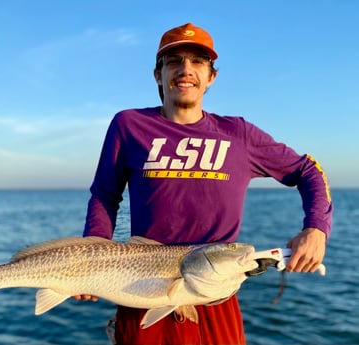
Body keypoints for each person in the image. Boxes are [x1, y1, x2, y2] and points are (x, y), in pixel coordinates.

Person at [77, 23, 333, 345]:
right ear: (157, 74)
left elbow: (307, 170)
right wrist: (90, 256)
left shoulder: (238, 134)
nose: (186, 70)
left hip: (215, 297)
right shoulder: (129, 125)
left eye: (198, 61)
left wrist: (316, 228)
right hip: (143, 288)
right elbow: (104, 195)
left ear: (211, 77)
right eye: (174, 61)